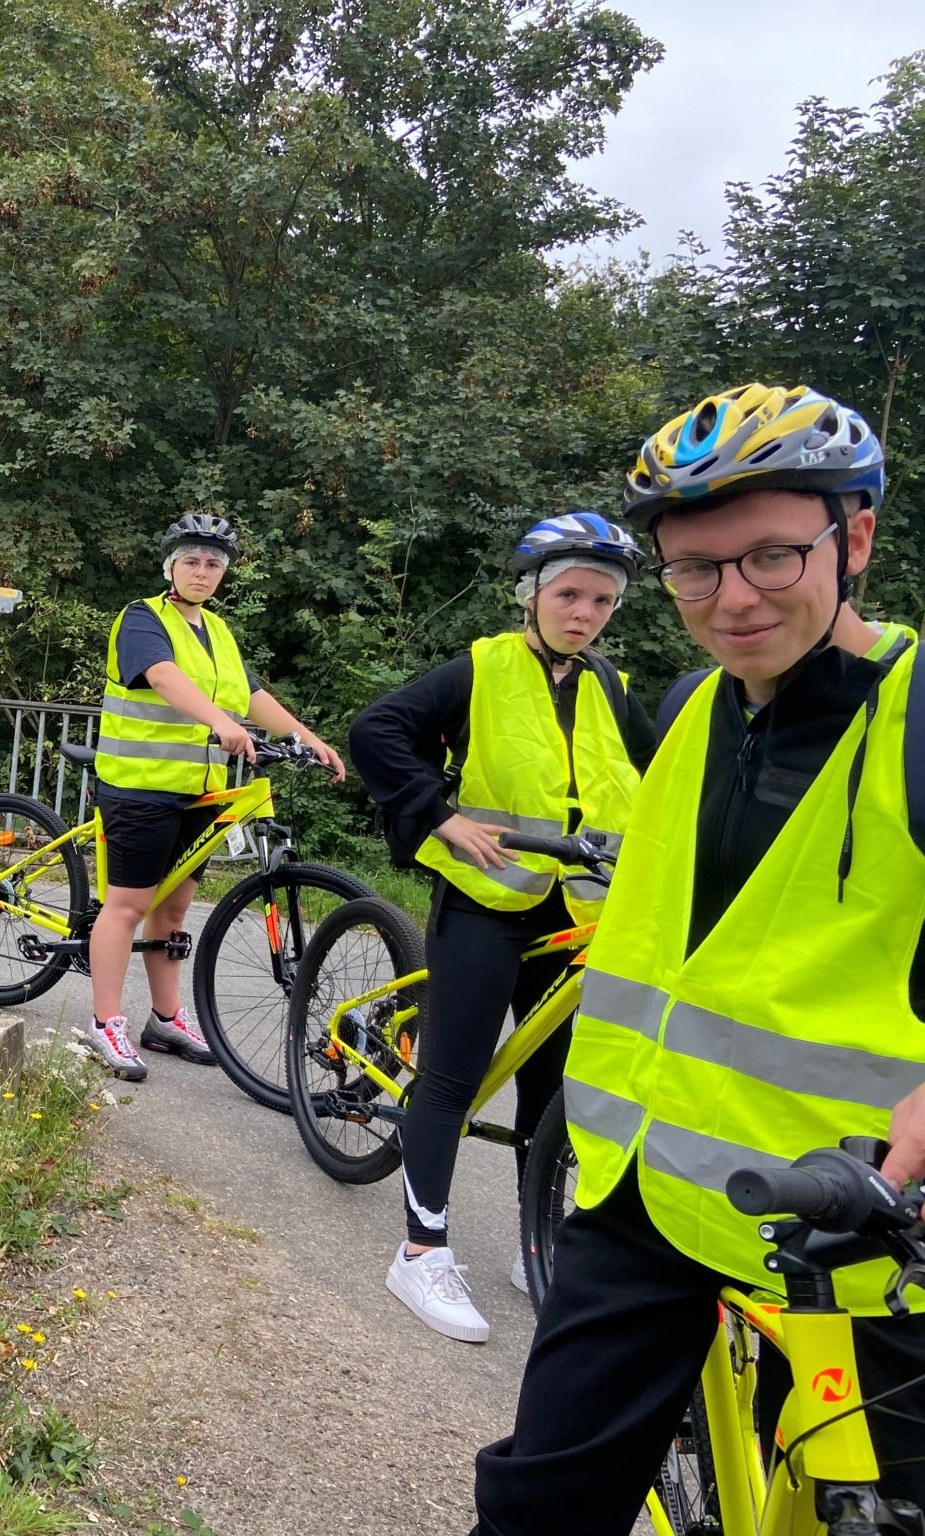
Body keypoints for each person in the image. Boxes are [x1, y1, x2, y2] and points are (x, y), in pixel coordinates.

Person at [472, 383, 925, 1532]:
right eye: (692, 569)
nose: (730, 600)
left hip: (856, 1237)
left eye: (769, 556)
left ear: (853, 540)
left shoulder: (914, 717)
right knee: (533, 1508)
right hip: (644, 1196)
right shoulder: (688, 708)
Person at [347, 512, 654, 1344]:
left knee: (551, 1087)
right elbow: (376, 731)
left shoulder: (609, 686)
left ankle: (535, 1241)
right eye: (569, 595)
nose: (585, 613)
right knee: (451, 1078)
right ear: (531, 594)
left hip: (573, 912)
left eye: (602, 600)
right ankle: (420, 1251)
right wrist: (439, 815)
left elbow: (659, 779)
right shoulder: (480, 668)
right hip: (487, 900)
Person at [88, 513, 346, 1082]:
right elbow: (162, 676)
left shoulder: (218, 632)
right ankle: (105, 1022)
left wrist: (309, 739)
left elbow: (251, 696)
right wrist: (218, 722)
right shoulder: (142, 617)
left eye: (213, 564)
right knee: (128, 905)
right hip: (141, 787)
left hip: (200, 793)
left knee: (172, 910)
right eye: (191, 561)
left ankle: (166, 1019)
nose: (202, 572)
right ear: (171, 567)